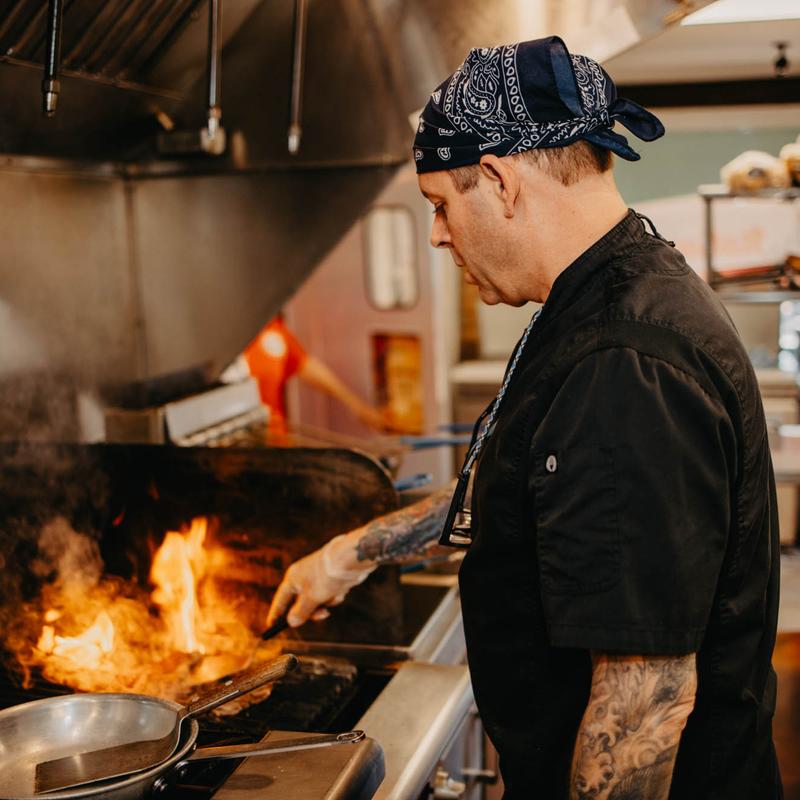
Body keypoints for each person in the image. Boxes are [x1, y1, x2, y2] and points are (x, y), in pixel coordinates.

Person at [267, 37, 781, 799]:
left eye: (440, 204)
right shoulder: (605, 293)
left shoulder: (625, 367)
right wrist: (356, 550)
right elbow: (521, 480)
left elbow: (644, 710)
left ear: (501, 182)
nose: (438, 234)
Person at [223, 315, 392, 435]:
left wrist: (355, 405)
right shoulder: (222, 339)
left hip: (275, 441)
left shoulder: (271, 329)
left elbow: (304, 364)